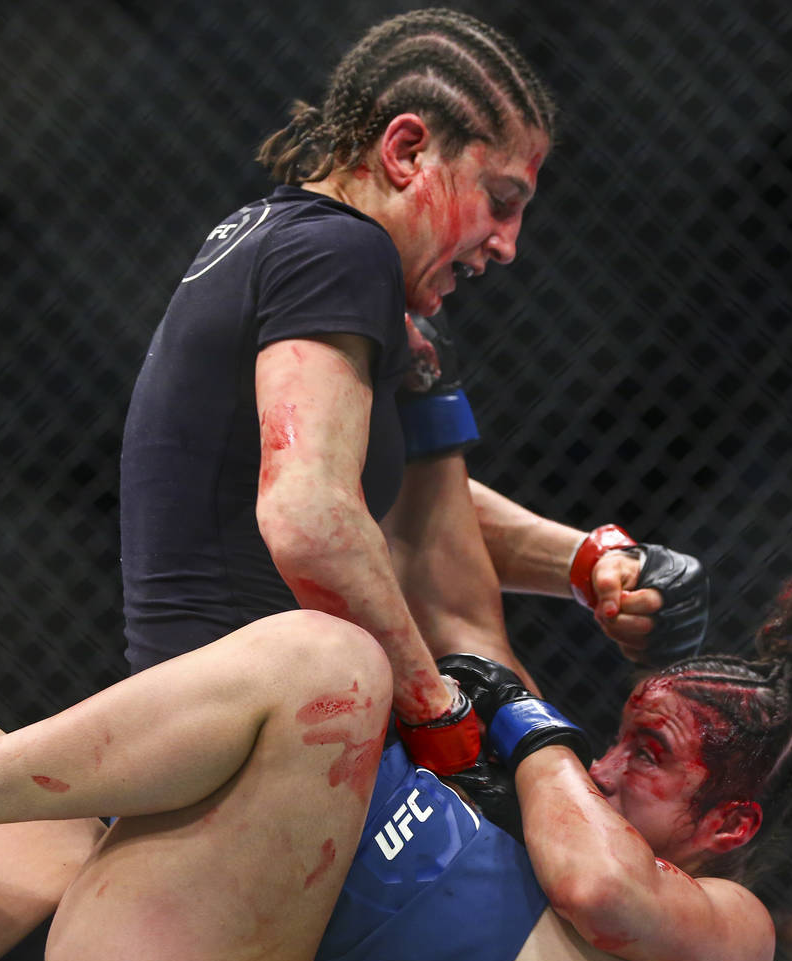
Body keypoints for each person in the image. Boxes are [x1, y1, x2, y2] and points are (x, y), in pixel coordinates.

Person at [117, 7, 709, 749]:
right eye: (500, 200)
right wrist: (434, 702)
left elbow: (385, 497)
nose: (509, 245)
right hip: (249, 741)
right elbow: (310, 516)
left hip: (209, 713)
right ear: (406, 150)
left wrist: (583, 560)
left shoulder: (281, 237)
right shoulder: (342, 254)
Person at [0, 574, 792, 961]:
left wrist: (523, 724)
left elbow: (601, 886)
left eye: (649, 757)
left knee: (330, 665)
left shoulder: (720, 925)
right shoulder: (548, 795)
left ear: (728, 826)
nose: (602, 769)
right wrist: (432, 402)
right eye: (614, 737)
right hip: (109, 916)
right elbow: (452, 579)